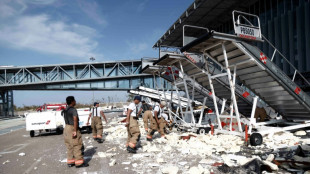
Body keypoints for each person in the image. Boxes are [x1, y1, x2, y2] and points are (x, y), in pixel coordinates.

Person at [63, 96, 88, 168]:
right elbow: (75, 119)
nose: (75, 101)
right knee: (77, 145)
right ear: (72, 102)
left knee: (69, 146)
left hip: (66, 128)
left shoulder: (66, 109)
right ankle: (79, 163)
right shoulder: (73, 110)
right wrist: (75, 130)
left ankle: (70, 162)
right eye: (74, 100)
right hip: (72, 127)